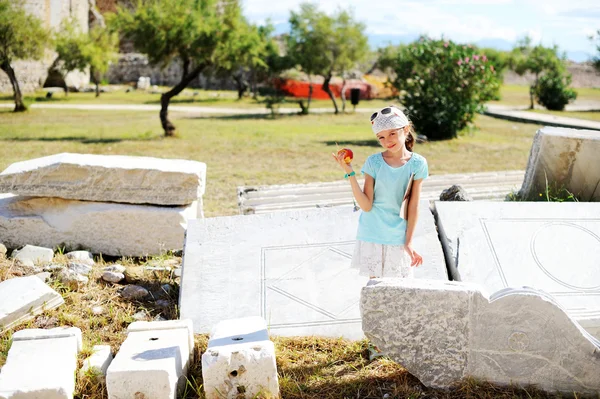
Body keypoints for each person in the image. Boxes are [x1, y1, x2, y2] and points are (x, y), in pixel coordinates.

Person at [332, 105, 428, 279]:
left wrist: (409, 241)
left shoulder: (418, 164)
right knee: (377, 295)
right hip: (372, 235)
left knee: (401, 295)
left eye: (392, 133)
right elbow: (366, 206)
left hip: (398, 238)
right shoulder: (374, 162)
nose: (387, 141)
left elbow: (413, 206)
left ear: (405, 129)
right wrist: (350, 172)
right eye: (381, 137)